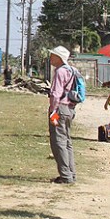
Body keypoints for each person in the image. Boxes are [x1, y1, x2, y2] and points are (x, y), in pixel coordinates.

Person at [47, 45, 76, 184]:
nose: (50, 57)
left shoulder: (59, 72)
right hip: (69, 109)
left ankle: (65, 176)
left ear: (59, 58)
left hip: (59, 109)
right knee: (67, 141)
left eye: (53, 55)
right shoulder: (71, 70)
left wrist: (52, 112)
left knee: (58, 141)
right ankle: (71, 173)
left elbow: (55, 94)